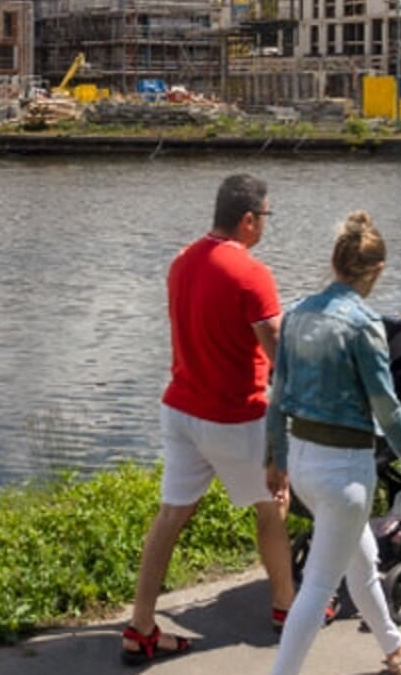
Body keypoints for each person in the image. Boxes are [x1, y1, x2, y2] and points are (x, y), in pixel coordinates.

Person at [123, 173, 299, 665]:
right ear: (247, 220)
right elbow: (281, 358)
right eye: (265, 217)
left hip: (180, 409)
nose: (265, 225)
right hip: (234, 415)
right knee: (272, 505)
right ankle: (286, 605)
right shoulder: (252, 274)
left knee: (171, 515)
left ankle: (140, 627)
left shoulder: (182, 261)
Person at [263, 211, 401, 675]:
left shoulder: (297, 313)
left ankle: (395, 647)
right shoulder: (363, 324)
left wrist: (275, 458)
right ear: (377, 270)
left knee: (360, 560)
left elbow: (277, 396)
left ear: (335, 262)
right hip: (344, 471)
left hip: (302, 463)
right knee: (320, 585)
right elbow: (387, 407)